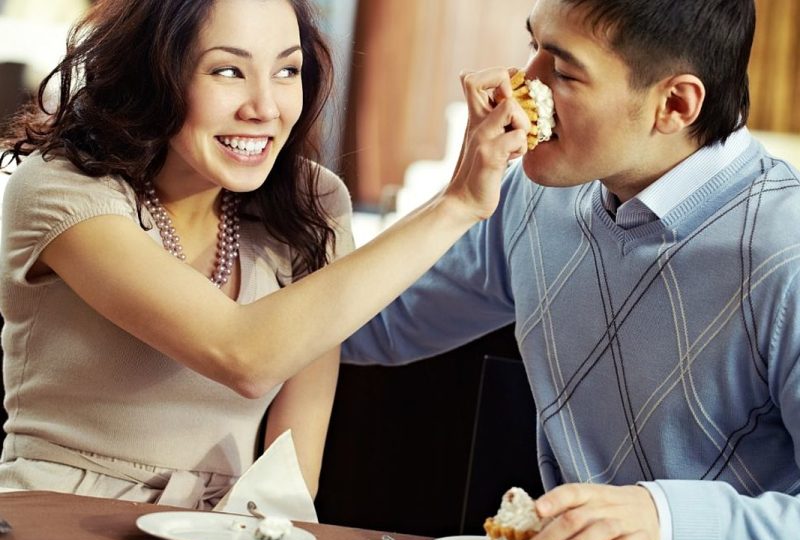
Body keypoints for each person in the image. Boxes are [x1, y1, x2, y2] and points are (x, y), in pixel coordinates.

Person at [343, 0, 800, 540]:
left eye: (562, 72)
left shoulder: (785, 251)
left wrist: (664, 523)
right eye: (531, 48)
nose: (517, 89)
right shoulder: (536, 199)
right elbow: (368, 324)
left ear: (675, 104)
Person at [0, 0, 529, 509]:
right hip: (59, 523)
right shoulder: (61, 189)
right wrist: (456, 204)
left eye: (287, 71)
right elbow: (244, 355)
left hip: (220, 534)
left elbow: (292, 473)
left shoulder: (311, 202)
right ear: (153, 73)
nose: (264, 108)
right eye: (227, 71)